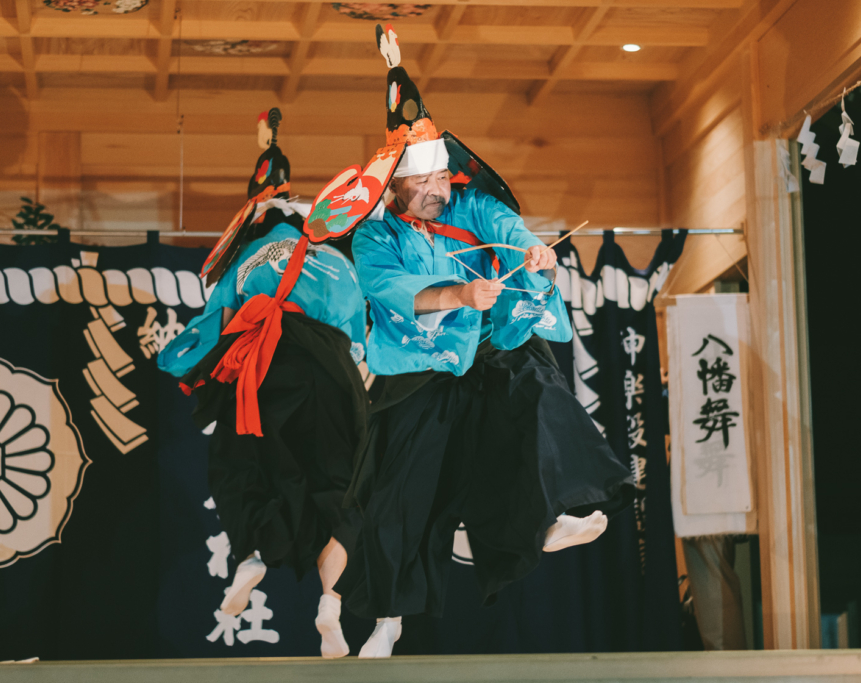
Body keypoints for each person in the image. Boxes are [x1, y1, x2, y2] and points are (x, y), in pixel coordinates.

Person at [304, 26, 634, 659]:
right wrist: (457, 294)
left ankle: (547, 516)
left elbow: (503, 225)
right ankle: (378, 621)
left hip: (482, 352)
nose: (438, 190)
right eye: (424, 184)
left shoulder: (466, 205)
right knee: (402, 497)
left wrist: (532, 249)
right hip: (417, 373)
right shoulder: (376, 237)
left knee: (532, 383)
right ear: (394, 184)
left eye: (443, 180)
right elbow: (392, 289)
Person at [159, 109, 368, 659]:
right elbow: (355, 332)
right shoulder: (337, 260)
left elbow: (210, 329)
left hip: (260, 371)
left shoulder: (247, 257)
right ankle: (331, 599)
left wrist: (180, 366)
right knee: (339, 482)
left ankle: (251, 555)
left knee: (246, 467)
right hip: (327, 370)